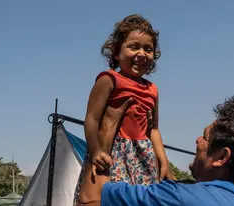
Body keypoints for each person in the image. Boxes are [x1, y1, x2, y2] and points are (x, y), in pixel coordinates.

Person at [78, 95, 234, 205]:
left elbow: (89, 201)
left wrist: (106, 133)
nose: (197, 140)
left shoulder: (181, 197)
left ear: (222, 156)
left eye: (205, 137)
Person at [73, 14, 174, 204]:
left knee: (142, 199)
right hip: (113, 153)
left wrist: (163, 160)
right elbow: (92, 119)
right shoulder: (109, 80)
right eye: (133, 47)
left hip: (143, 155)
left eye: (148, 49)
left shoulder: (152, 89)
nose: (142, 54)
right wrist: (95, 151)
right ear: (117, 53)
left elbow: (153, 129)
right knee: (108, 198)